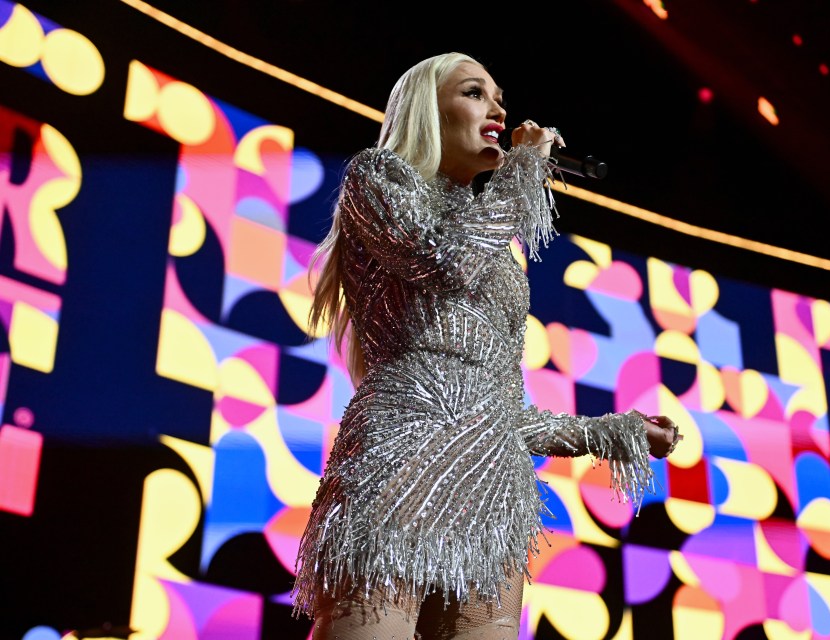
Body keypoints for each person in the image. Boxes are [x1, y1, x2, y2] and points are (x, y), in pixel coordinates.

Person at [291, 51, 683, 639]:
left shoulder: (497, 246)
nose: (498, 107)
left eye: (499, 95)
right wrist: (524, 169)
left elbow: (497, 409)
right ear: (428, 110)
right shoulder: (378, 178)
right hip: (397, 468)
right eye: (475, 92)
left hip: (494, 492)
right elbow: (444, 259)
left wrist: (616, 431)